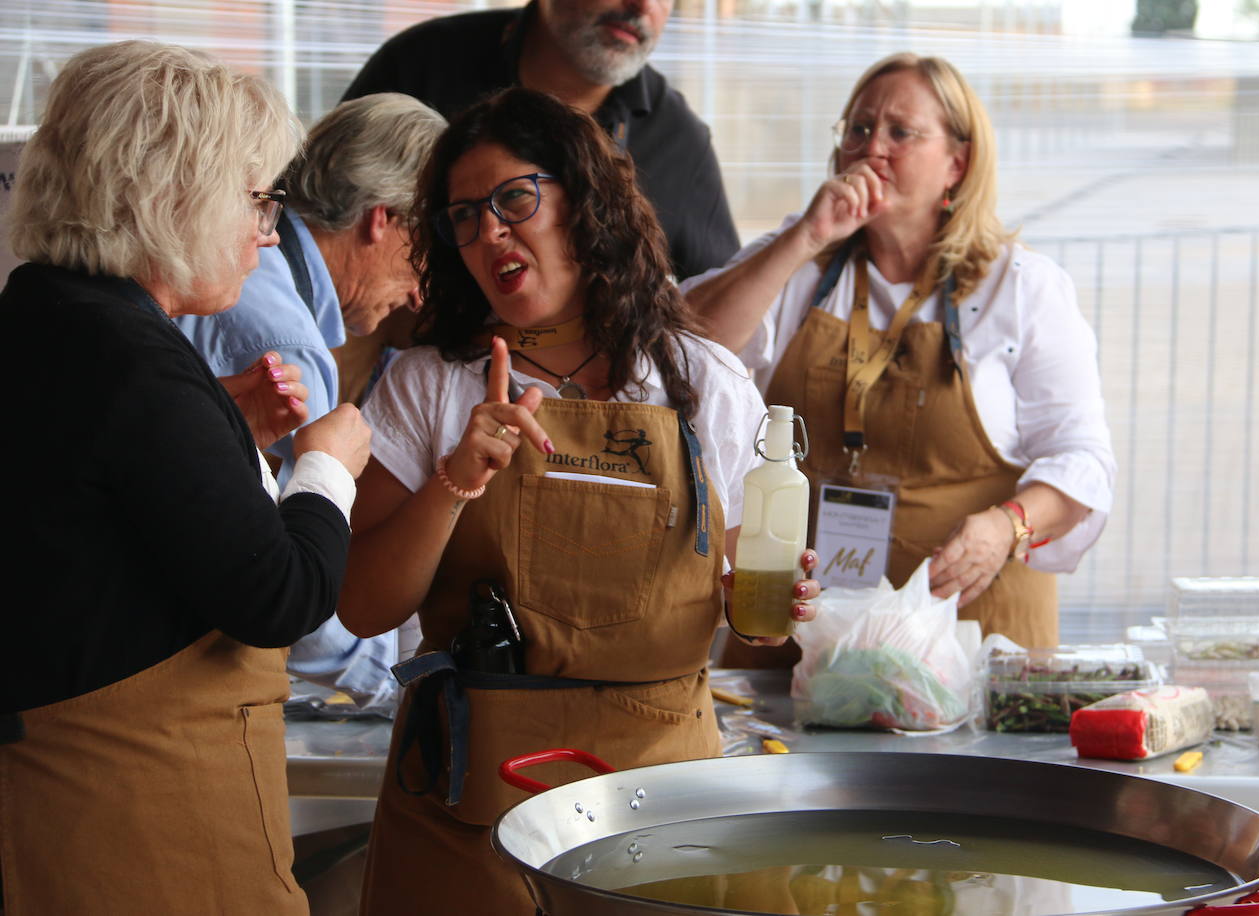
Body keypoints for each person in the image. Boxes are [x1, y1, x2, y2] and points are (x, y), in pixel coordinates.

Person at [335, 87, 817, 913]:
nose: (488, 232)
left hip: (663, 799)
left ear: (584, 203)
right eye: (461, 216)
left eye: (513, 198)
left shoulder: (698, 381)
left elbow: (742, 598)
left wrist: (765, 595)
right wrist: (455, 481)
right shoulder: (429, 388)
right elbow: (361, 605)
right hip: (470, 798)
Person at [0, 41, 370, 914]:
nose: (267, 234)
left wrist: (218, 431)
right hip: (133, 818)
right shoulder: (133, 360)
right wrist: (327, 463)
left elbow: (84, 511)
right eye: (256, 201)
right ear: (169, 196)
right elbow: (279, 594)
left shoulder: (41, 316)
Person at [683, 52, 1115, 651]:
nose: (871, 149)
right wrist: (804, 237)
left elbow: (1084, 461)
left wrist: (1007, 527)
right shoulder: (800, 261)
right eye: (857, 129)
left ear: (957, 164)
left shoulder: (1019, 287)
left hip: (972, 638)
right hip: (810, 639)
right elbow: (680, 351)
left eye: (899, 133)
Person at [176, 92, 447, 709]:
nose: (417, 297)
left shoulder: (272, 293)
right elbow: (302, 598)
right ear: (381, 218)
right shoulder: (285, 340)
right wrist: (399, 682)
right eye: (428, 250)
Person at [340, 0, 738, 283]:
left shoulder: (680, 141)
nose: (642, 5)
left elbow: (713, 303)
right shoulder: (420, 64)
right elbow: (320, 218)